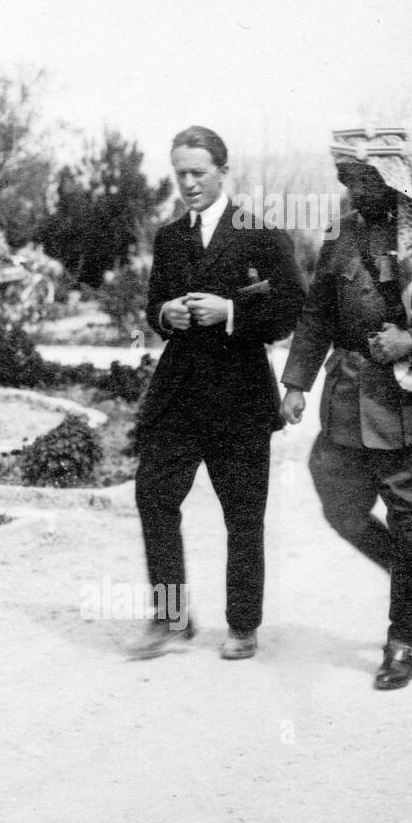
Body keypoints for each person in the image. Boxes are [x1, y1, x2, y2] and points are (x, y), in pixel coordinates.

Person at [280, 126, 412, 690]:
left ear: (395, 173)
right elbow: (318, 312)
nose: (355, 186)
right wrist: (296, 381)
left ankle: (400, 639)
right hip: (350, 399)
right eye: (346, 176)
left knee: (411, 520)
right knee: (340, 507)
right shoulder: (340, 232)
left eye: (366, 176)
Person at [129, 126, 305, 660]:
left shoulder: (261, 232)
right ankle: (171, 616)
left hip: (240, 396)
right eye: (179, 173)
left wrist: (232, 312)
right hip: (179, 390)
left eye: (198, 173)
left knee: (243, 514)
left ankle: (243, 625)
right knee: (154, 497)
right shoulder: (170, 236)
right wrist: (166, 314)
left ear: (224, 173)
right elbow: (154, 304)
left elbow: (290, 310)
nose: (187, 183)